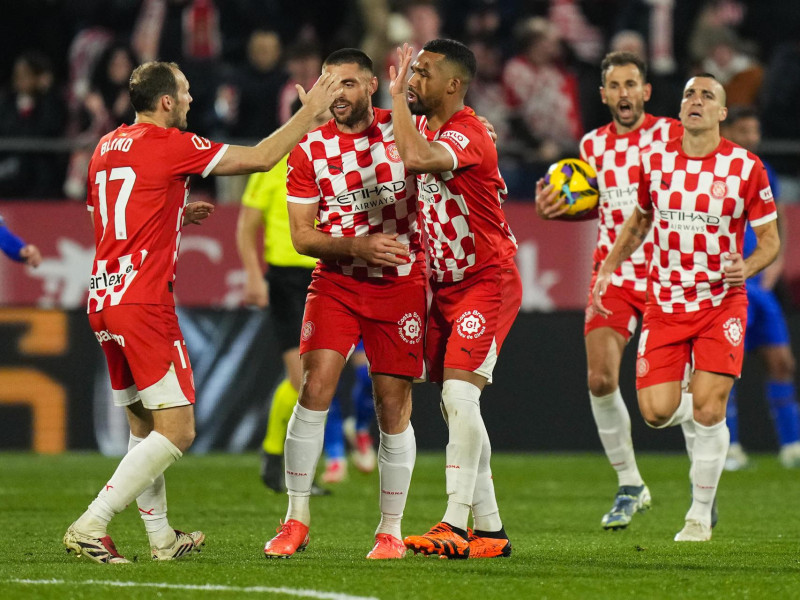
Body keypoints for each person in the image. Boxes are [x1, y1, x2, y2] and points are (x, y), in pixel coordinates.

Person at [63, 59, 341, 564]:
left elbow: (102, 217)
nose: (192, 100)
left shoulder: (105, 147)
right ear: (166, 101)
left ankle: (161, 539)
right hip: (144, 303)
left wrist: (171, 213)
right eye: (187, 93)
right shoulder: (172, 144)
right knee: (179, 431)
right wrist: (310, 114)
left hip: (103, 297)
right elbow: (260, 157)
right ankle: (91, 524)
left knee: (144, 429)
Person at [592, 74, 780, 542]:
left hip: (721, 303)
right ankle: (703, 413)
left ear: (721, 114)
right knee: (656, 412)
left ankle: (698, 516)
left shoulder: (746, 168)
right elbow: (639, 221)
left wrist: (749, 266)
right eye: (690, 94)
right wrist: (608, 268)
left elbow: (772, 241)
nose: (696, 101)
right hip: (666, 304)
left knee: (710, 411)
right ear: (680, 110)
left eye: (707, 96)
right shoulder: (653, 162)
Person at [262, 48, 425, 561]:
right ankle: (294, 519)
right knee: (314, 388)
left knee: (391, 404)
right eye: (331, 83)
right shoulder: (308, 148)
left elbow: (454, 141)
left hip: (399, 283)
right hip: (336, 282)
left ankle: (390, 530)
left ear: (372, 86)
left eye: (350, 83)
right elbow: (301, 237)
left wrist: (476, 127)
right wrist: (357, 246)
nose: (340, 93)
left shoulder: (403, 130)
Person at [535, 51, 686, 530]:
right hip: (613, 276)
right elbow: (596, 205)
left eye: (631, 84)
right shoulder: (592, 145)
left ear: (646, 91)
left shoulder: (670, 135)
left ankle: (705, 475)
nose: (623, 93)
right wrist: (555, 208)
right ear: (603, 95)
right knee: (600, 380)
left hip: (667, 274)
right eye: (614, 86)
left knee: (675, 397)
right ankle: (630, 484)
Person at [389, 40, 521, 559]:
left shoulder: (470, 133)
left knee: (459, 399)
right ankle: (490, 532)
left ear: (453, 84)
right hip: (444, 284)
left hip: (486, 281)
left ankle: (454, 523)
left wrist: (396, 94)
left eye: (423, 73)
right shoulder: (423, 123)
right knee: (456, 408)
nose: (413, 80)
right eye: (411, 71)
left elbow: (416, 158)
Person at [719, 106, 800, 470]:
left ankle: (792, 446)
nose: (752, 137)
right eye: (745, 129)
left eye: (755, 130)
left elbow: (778, 221)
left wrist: (776, 263)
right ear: (729, 129)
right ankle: (730, 447)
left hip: (761, 283)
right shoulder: (715, 168)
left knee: (781, 362)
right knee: (724, 368)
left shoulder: (766, 172)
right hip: (726, 283)